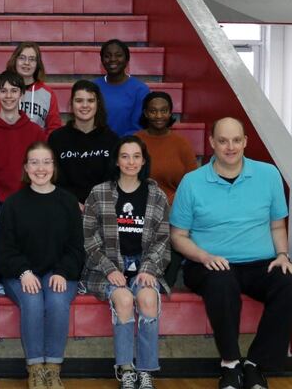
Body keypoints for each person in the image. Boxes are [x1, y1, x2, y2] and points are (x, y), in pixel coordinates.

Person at [170, 117, 292, 389]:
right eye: (222, 140)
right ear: (211, 143)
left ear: (245, 142)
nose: (229, 147)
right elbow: (178, 236)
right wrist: (204, 257)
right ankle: (230, 364)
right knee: (222, 282)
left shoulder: (268, 175)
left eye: (235, 140)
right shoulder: (192, 182)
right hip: (208, 263)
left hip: (261, 262)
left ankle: (255, 364)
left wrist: (282, 255)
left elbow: (277, 225)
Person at [81, 135, 170, 389]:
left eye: (136, 156)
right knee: (123, 299)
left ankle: (145, 370)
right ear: (117, 161)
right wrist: (109, 269)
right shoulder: (99, 193)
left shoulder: (157, 195)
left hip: (144, 266)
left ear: (144, 161)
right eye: (125, 156)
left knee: (148, 299)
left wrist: (149, 268)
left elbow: (163, 239)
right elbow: (88, 238)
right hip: (106, 268)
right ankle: (126, 369)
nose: (131, 162)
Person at [0, 141, 85, 389]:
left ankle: (53, 368)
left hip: (59, 272)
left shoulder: (68, 202)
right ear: (26, 167)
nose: (40, 168)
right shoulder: (14, 203)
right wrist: (23, 272)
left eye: (46, 162)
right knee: (33, 301)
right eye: (34, 162)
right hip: (20, 274)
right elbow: (5, 249)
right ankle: (35, 368)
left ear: (54, 166)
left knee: (57, 300)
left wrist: (63, 271)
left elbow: (77, 247)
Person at [134, 91, 197, 287]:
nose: (159, 115)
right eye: (153, 111)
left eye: (164, 111)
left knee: (177, 232)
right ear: (145, 113)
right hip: (142, 204)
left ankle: (164, 283)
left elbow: (192, 182)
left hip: (173, 205)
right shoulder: (136, 141)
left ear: (171, 113)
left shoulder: (181, 144)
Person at [0, 70, 46, 203]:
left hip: (28, 201)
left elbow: (42, 172)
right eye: (3, 91)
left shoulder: (36, 132)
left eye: (14, 91)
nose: (8, 96)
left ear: (22, 95)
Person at [48, 80, 119, 209]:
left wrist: (95, 203)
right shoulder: (57, 138)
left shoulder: (111, 139)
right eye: (79, 100)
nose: (84, 105)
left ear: (98, 104)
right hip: (64, 207)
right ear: (72, 103)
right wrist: (73, 203)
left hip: (102, 207)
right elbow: (54, 178)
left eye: (90, 101)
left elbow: (113, 178)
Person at [1, 42, 62, 135]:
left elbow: (54, 128)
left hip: (37, 147)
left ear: (37, 64)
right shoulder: (4, 89)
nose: (26, 63)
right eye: (22, 58)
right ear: (15, 60)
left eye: (32, 59)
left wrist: (41, 146)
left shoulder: (48, 94)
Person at [92, 39, 150, 137]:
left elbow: (139, 127)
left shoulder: (140, 90)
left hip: (127, 147)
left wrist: (118, 145)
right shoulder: (93, 87)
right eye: (107, 56)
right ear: (102, 60)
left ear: (127, 60)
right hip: (97, 146)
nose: (112, 59)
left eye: (118, 55)